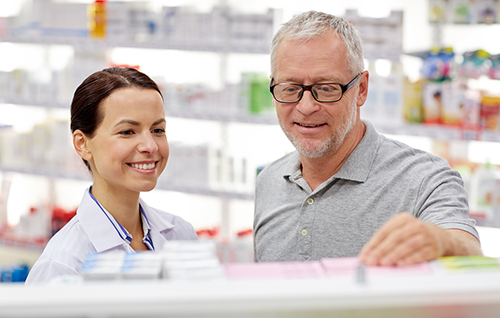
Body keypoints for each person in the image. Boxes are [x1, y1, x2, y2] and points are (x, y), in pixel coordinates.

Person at [253, 11, 481, 266]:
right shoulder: (268, 181)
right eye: (291, 89)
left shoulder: (425, 179)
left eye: (326, 88)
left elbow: (468, 249)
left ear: (360, 89)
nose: (306, 106)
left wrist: (443, 242)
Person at [25, 67, 197, 285]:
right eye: (127, 132)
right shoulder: (62, 266)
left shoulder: (181, 235)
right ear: (83, 144)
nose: (150, 146)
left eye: (158, 130)